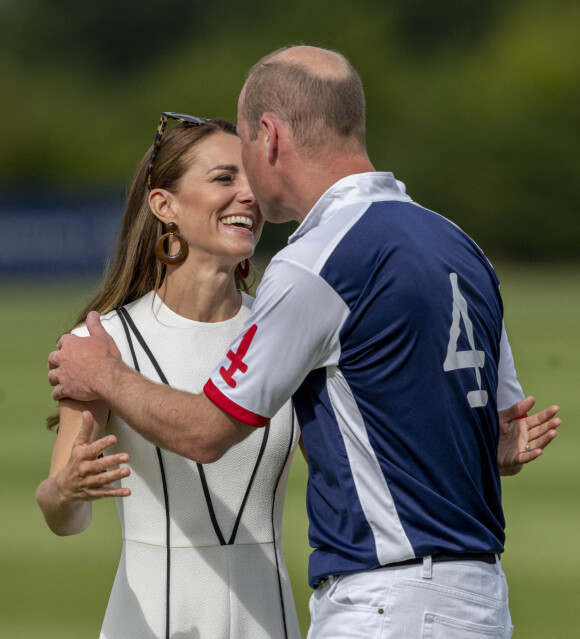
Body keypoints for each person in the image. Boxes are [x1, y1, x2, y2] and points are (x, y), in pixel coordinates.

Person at [48, 47, 561, 638]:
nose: (243, 186)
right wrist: (475, 452)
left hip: (386, 606)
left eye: (242, 150)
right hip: (479, 604)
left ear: (268, 137)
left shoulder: (317, 261)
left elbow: (205, 431)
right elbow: (482, 430)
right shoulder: (463, 249)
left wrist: (106, 375)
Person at [37, 114, 302, 639]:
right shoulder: (102, 344)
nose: (248, 195)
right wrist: (67, 491)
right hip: (149, 622)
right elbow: (61, 513)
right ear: (165, 206)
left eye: (251, 178)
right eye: (225, 178)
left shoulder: (289, 331)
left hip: (270, 621)